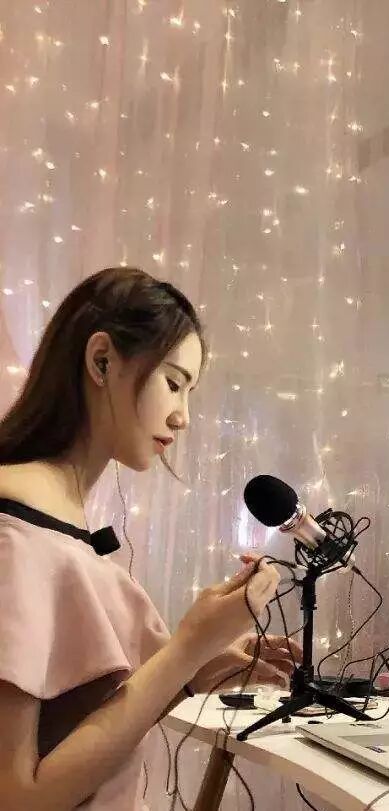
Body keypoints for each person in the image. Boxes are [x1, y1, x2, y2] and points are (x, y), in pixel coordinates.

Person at [0, 268, 299, 810]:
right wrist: (187, 650)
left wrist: (206, 659)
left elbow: (81, 723)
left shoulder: (60, 524)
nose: (183, 417)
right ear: (101, 361)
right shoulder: (16, 533)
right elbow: (19, 796)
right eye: (174, 383)